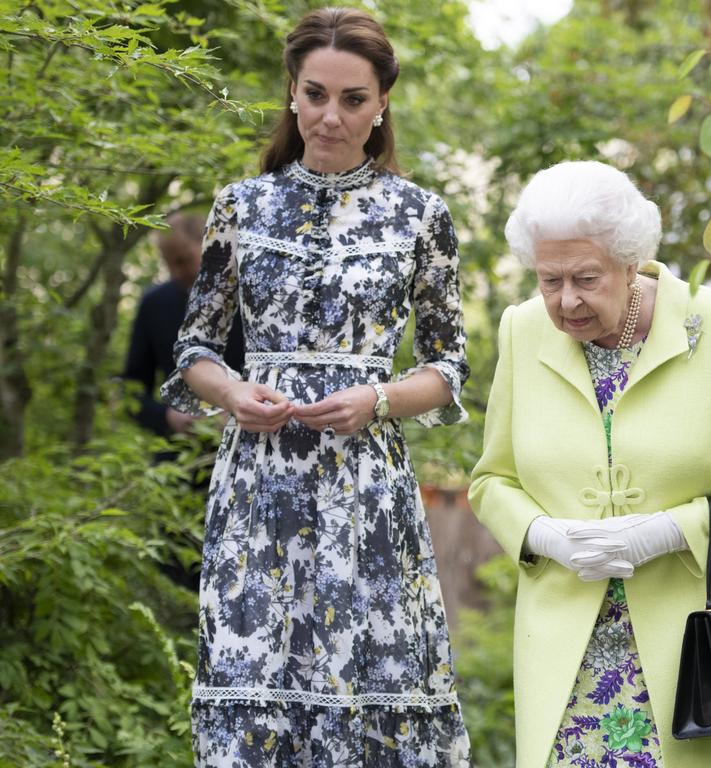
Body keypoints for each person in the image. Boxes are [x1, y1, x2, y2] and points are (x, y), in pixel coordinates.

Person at [159, 8, 471, 766]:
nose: (332, 116)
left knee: (368, 687)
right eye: (316, 94)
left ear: (382, 103)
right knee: (254, 686)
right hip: (259, 489)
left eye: (353, 99)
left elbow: (449, 364)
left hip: (365, 490)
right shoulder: (241, 205)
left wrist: (381, 399)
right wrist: (231, 393)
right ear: (292, 95)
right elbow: (195, 349)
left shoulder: (419, 215)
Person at [469, 160, 711, 768]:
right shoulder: (520, 331)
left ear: (630, 261)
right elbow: (494, 480)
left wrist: (664, 532)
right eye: (549, 280)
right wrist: (545, 535)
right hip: (568, 654)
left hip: (693, 651)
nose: (566, 301)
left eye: (586, 278)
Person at [123, 212, 243, 437]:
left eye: (183, 260)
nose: (176, 272)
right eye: (169, 263)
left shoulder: (250, 298)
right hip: (179, 457)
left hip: (249, 445)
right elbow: (131, 389)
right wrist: (168, 416)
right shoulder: (154, 305)